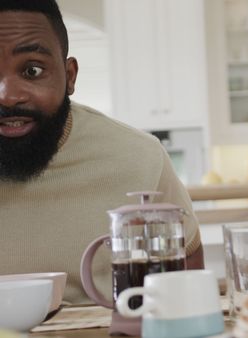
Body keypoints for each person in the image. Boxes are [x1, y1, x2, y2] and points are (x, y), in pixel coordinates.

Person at [0, 0, 203, 303]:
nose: (8, 95)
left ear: (70, 76)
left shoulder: (139, 158)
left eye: (32, 70)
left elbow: (188, 290)